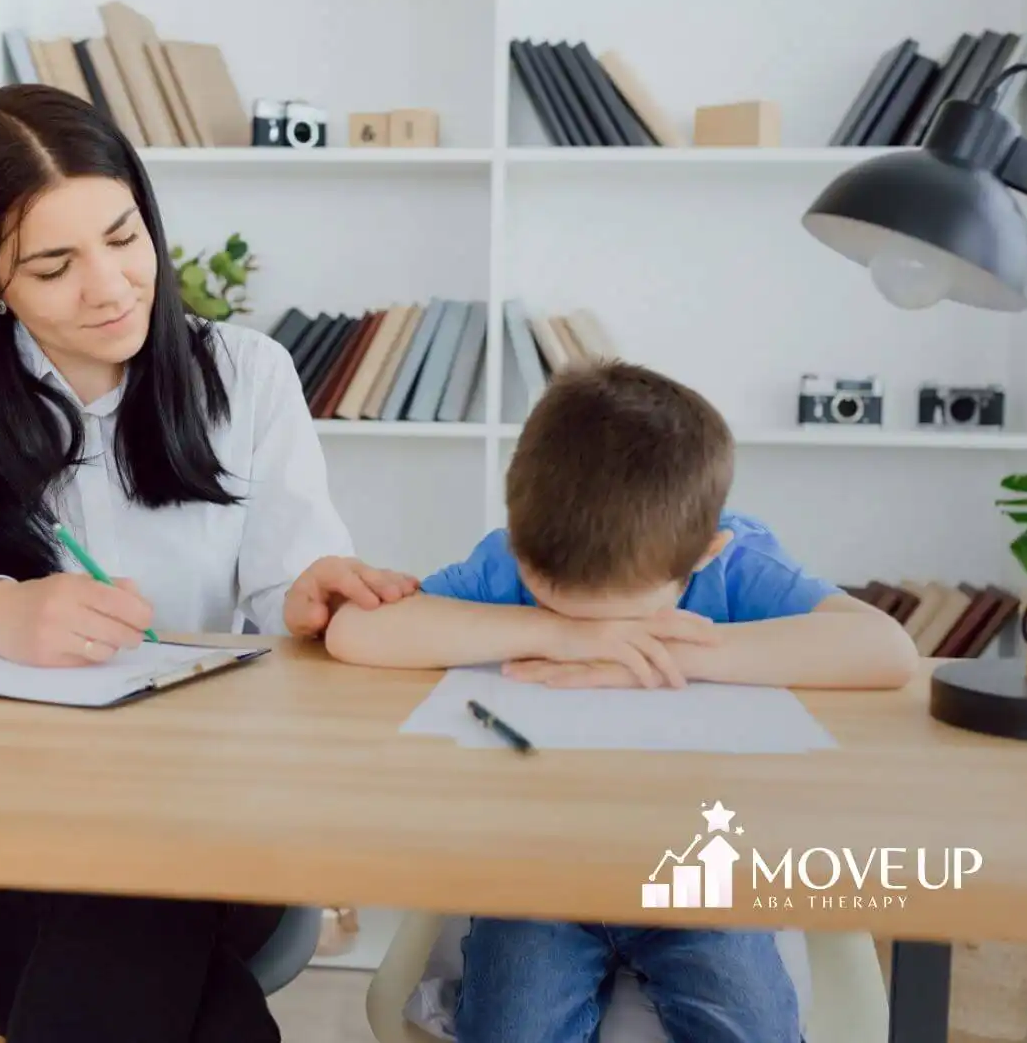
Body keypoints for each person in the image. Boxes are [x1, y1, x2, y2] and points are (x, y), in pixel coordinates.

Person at [0, 84, 417, 1043]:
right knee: (187, 989)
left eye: (124, 237)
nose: (112, 286)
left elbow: (287, 578)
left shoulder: (245, 375)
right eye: (54, 266)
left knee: (131, 881)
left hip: (206, 830)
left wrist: (310, 591)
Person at [323, 360, 920, 1043]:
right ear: (520, 547)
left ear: (704, 554)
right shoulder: (512, 559)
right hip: (537, 872)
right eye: (559, 604)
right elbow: (357, 630)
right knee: (508, 1025)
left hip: (700, 873)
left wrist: (681, 651)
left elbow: (886, 650)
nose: (597, 631)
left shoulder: (734, 563)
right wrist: (559, 634)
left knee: (749, 1023)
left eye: (621, 616)